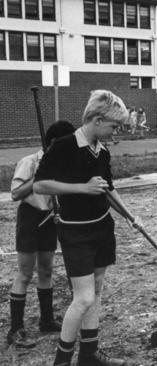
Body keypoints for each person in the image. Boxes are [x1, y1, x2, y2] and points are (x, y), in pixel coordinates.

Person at [33, 90, 138, 366]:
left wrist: (129, 214)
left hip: (102, 228)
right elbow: (40, 185)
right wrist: (82, 188)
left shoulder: (102, 151)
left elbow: (108, 189)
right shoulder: (64, 146)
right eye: (114, 126)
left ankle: (89, 355)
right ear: (97, 119)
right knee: (83, 298)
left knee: (98, 291)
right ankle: (62, 361)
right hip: (76, 232)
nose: (116, 132)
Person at [7, 120, 75, 349]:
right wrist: (38, 178)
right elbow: (15, 194)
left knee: (46, 270)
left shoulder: (62, 164)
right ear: (53, 142)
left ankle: (46, 320)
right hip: (30, 217)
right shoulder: (30, 162)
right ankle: (15, 329)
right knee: (25, 274)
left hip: (49, 219)